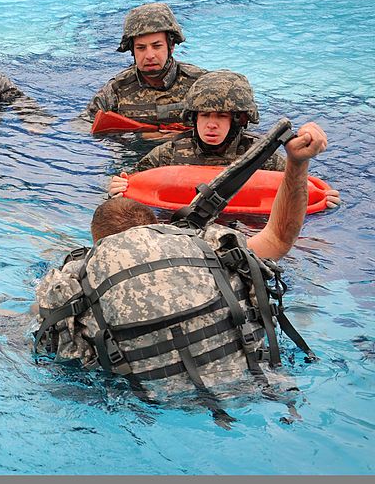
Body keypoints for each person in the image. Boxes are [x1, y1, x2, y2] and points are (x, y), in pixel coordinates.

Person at [34, 121, 329, 405]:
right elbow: (279, 239)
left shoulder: (79, 276)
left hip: (144, 402)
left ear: (99, 244)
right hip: (246, 385)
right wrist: (297, 162)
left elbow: (58, 351)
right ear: (156, 228)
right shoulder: (209, 247)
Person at [107, 70, 341, 208]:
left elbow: (292, 189)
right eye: (205, 115)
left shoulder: (262, 156)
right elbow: (132, 187)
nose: (211, 124)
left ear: (238, 120)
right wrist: (116, 189)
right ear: (193, 117)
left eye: (221, 116)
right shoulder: (168, 154)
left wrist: (321, 200)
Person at [83, 2, 206, 135]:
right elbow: (82, 126)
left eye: (157, 46)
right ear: (132, 51)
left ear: (171, 46)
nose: (149, 56)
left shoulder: (200, 84)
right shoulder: (116, 90)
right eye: (141, 48)